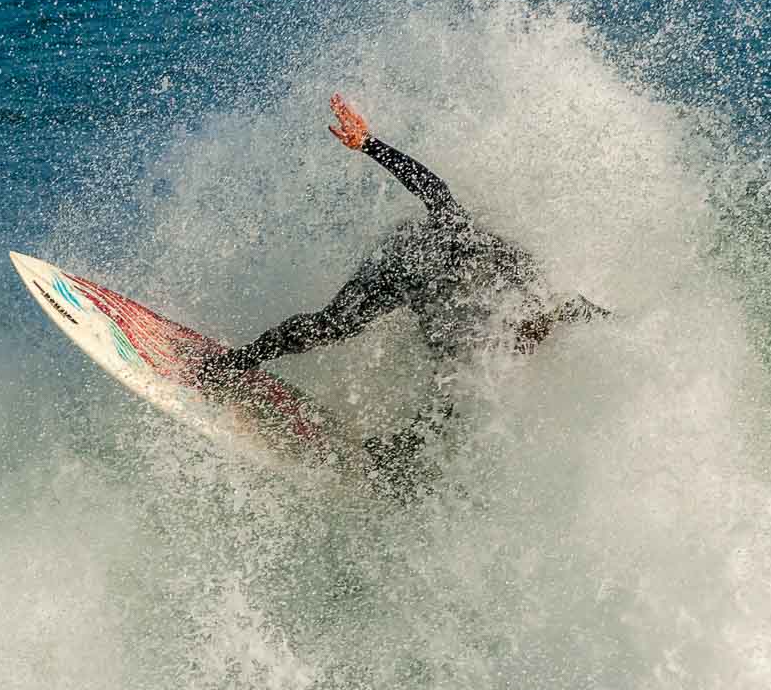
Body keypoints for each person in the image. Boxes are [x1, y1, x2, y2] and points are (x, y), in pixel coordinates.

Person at [197, 93, 608, 500]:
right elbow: (434, 190)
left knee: (456, 389)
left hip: (447, 309)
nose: (525, 344)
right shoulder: (487, 259)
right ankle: (232, 364)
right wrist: (369, 144)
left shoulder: (522, 316)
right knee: (331, 327)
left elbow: (581, 309)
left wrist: (629, 329)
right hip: (399, 267)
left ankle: (399, 456)